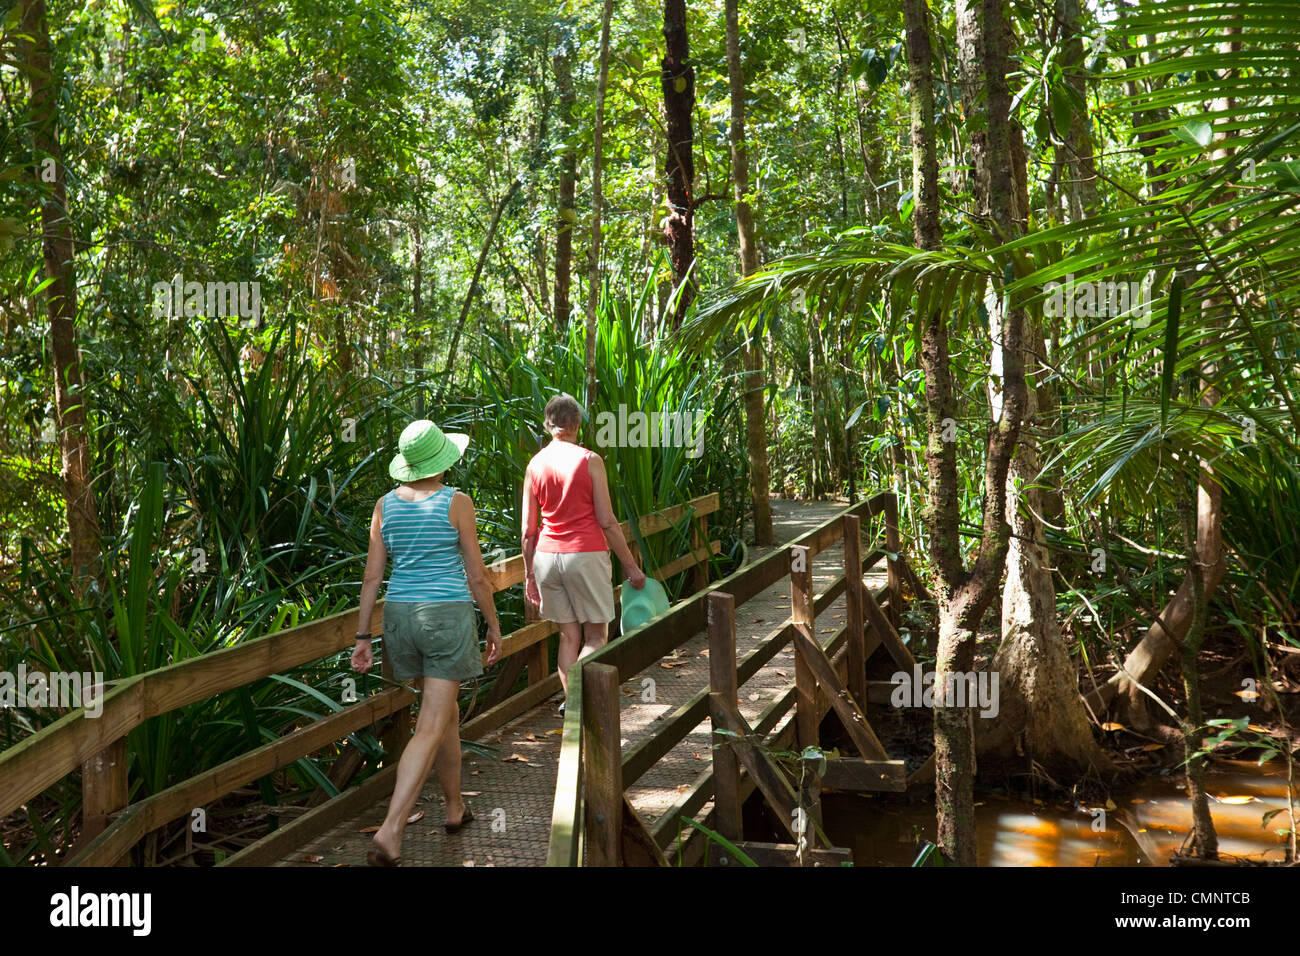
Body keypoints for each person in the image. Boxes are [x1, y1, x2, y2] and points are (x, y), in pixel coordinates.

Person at [352, 419, 502, 866]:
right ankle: (391, 830)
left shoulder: (384, 506)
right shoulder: (456, 502)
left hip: (400, 618)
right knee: (430, 725)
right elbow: (476, 575)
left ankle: (454, 807)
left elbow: (372, 575)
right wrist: (493, 625)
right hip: (444, 616)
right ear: (442, 459)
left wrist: (363, 637)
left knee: (444, 715)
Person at [522, 394, 646, 704]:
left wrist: (529, 575)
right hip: (585, 555)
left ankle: (575, 710)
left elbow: (528, 530)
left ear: (547, 425)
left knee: (568, 636)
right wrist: (630, 567)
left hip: (546, 558)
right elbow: (606, 520)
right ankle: (578, 699)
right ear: (577, 424)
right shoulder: (589, 460)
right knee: (595, 638)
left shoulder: (534, 464)